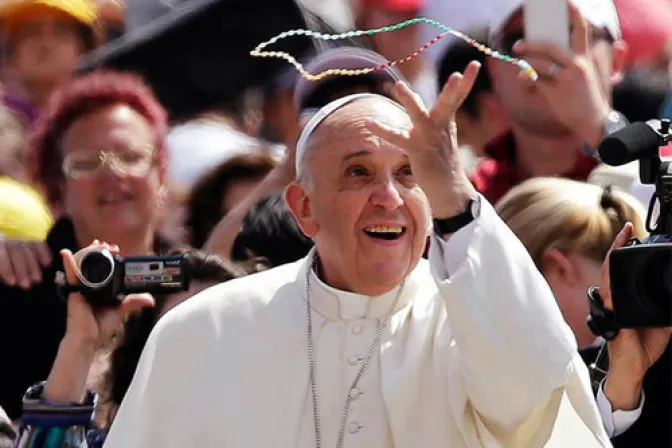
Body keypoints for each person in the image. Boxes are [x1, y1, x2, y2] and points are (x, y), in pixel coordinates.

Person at [104, 64, 610, 447]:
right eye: (358, 173)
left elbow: (532, 392)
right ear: (305, 209)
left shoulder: (474, 323)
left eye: (410, 174)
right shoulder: (204, 332)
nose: (388, 196)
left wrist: (456, 195)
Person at [0, 70, 172, 421]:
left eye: (130, 156)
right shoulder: (15, 285)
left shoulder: (197, 282)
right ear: (57, 187)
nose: (113, 173)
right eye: (86, 163)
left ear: (161, 175)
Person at [470, 0, 630, 204]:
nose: (544, 57)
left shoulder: (662, 168)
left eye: (566, 36)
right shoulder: (468, 195)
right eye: (519, 39)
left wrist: (600, 129)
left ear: (616, 62)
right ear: (494, 69)